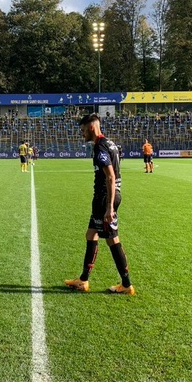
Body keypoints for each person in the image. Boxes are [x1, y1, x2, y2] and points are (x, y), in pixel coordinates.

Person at [65, 114, 134, 295]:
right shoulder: (110, 144)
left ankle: (126, 285)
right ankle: (83, 280)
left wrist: (109, 207)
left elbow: (111, 176)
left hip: (105, 198)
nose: (82, 134)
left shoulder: (100, 147)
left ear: (91, 128)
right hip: (104, 198)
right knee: (91, 234)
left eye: (83, 130)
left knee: (112, 239)